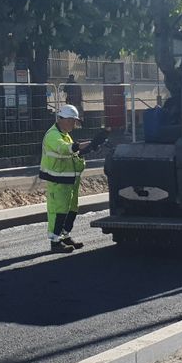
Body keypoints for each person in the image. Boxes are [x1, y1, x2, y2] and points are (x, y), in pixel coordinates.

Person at [39, 105, 106, 253]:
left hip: (70, 179)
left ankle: (65, 236)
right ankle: (55, 241)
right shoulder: (53, 135)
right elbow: (66, 149)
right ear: (63, 119)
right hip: (58, 180)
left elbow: (73, 153)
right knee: (60, 211)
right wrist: (88, 144)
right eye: (72, 121)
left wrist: (90, 146)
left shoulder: (64, 133)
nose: (74, 124)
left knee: (72, 209)